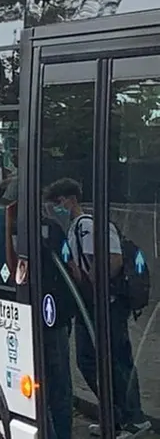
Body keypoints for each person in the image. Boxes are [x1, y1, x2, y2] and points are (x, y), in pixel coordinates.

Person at [43, 178, 150, 437]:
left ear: (70, 200)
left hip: (105, 305)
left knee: (113, 360)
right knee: (91, 361)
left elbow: (113, 260)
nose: (54, 209)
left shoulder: (87, 227)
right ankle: (114, 415)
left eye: (57, 204)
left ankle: (132, 417)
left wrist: (90, 282)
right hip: (90, 305)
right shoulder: (76, 228)